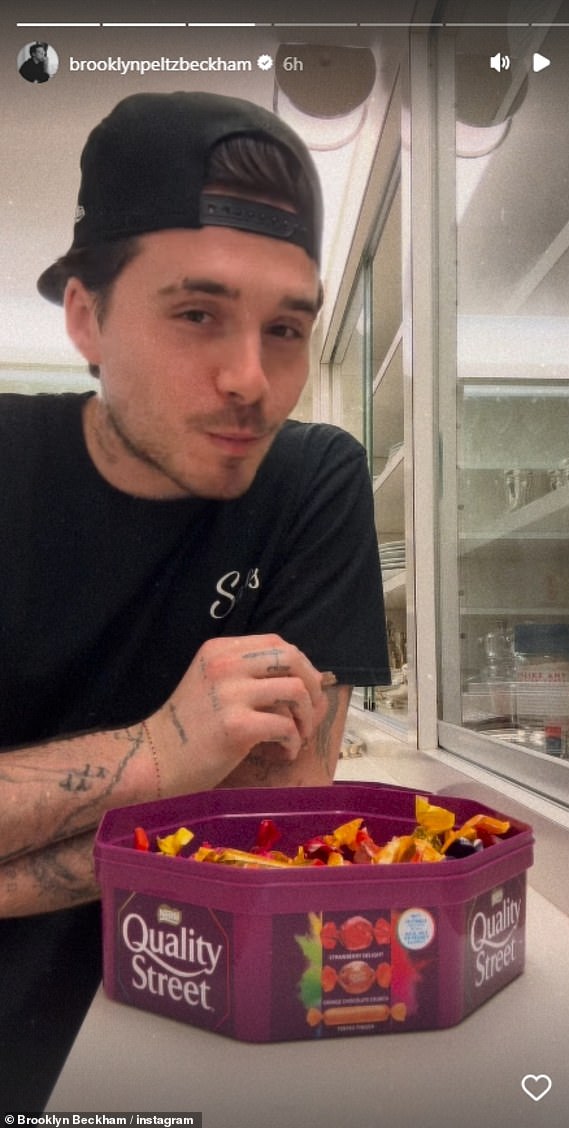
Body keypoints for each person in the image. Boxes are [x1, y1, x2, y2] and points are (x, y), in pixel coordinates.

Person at [0, 91, 390, 1108]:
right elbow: (220, 808)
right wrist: (169, 753)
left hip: (201, 1009)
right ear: (85, 314)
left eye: (287, 328)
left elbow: (280, 828)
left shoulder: (312, 481)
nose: (250, 379)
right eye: (197, 315)